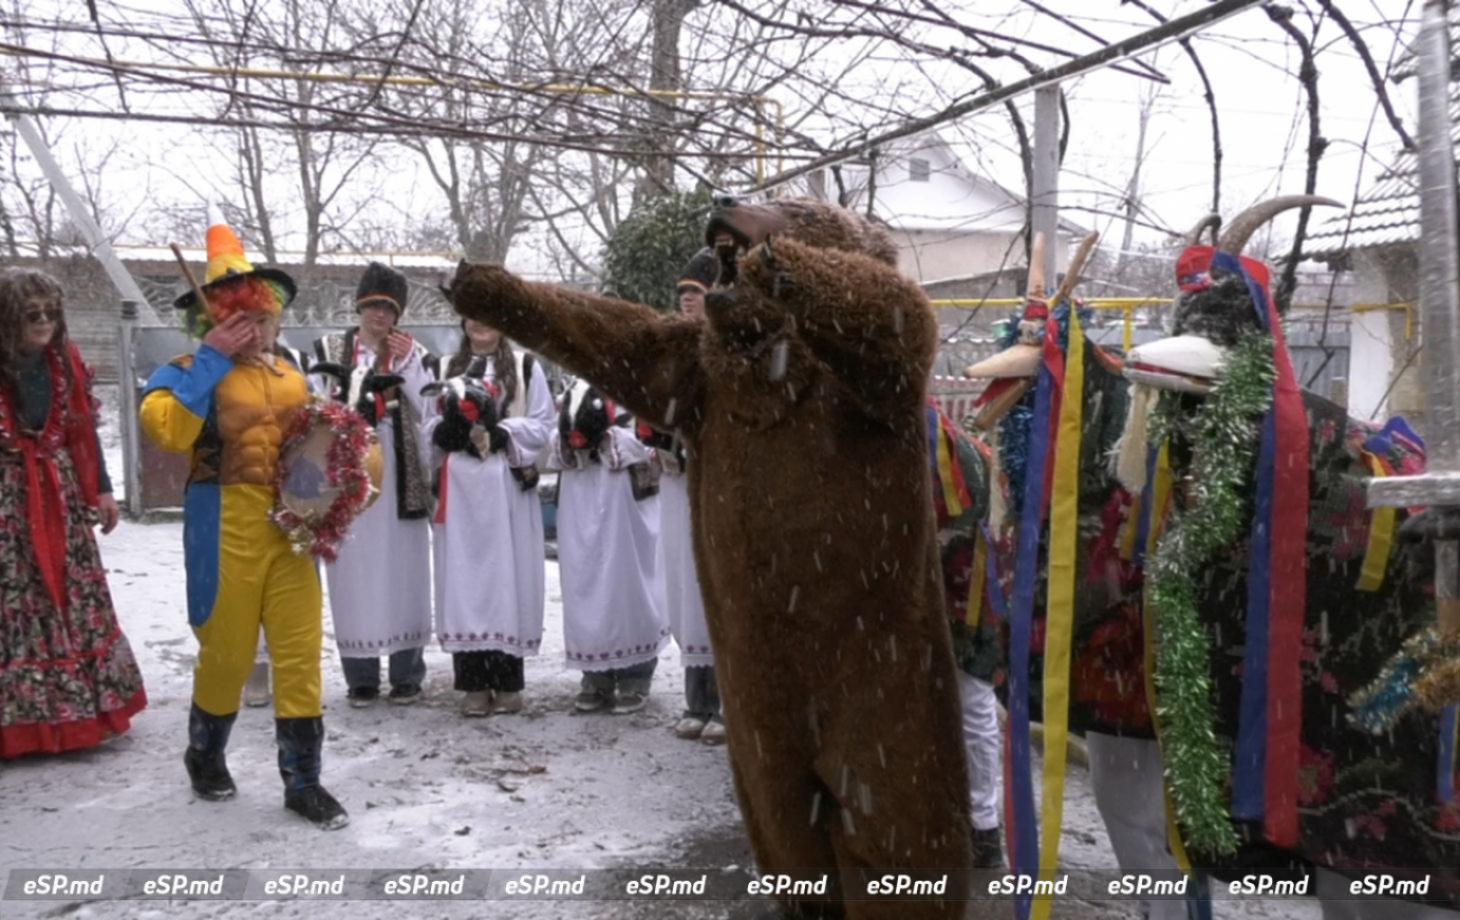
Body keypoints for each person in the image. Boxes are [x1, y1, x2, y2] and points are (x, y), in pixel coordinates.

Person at [140, 224, 346, 828]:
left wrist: (351, 473)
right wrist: (212, 359)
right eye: (238, 318)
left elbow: (323, 445)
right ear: (211, 320)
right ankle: (205, 754)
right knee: (227, 655)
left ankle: (304, 782)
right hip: (223, 522)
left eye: (261, 316)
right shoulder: (182, 370)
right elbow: (168, 432)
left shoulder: (291, 376)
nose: (253, 329)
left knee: (300, 654)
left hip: (290, 528)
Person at [0, 268, 145, 759]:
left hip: (57, 496)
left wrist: (101, 490)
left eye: (50, 313)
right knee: (16, 601)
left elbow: (82, 430)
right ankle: (21, 727)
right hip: (7, 504)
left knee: (71, 594)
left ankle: (81, 716)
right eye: (31, 314)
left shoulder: (64, 361)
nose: (44, 322)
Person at [312, 262, 435, 707]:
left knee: (405, 571)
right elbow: (312, 408)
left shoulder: (412, 351)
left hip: (400, 475)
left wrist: (410, 365)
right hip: (348, 476)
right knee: (353, 572)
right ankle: (361, 674)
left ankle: (407, 672)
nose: (379, 315)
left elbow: (429, 408)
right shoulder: (329, 349)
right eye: (372, 306)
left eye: (387, 309)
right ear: (359, 308)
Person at [424, 319, 554, 717]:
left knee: (506, 578)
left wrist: (503, 433)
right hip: (460, 488)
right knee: (465, 580)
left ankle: (508, 680)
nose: (480, 324)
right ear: (463, 322)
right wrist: (445, 432)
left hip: (505, 487)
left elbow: (544, 424)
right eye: (472, 315)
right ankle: (473, 682)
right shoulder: (444, 367)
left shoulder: (525, 367)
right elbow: (426, 424)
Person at [551, 379, 669, 714]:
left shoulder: (635, 382)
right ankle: (595, 674)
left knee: (627, 582)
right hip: (580, 489)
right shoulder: (573, 385)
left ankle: (636, 675)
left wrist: (614, 435)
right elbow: (554, 431)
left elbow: (652, 439)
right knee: (585, 580)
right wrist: (573, 433)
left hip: (625, 497)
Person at [649, 249, 723, 744]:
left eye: (695, 292)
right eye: (682, 293)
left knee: (714, 586)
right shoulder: (675, 349)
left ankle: (727, 702)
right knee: (685, 584)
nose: (686, 300)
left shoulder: (728, 350)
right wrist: (660, 442)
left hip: (715, 481)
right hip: (677, 482)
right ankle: (697, 699)